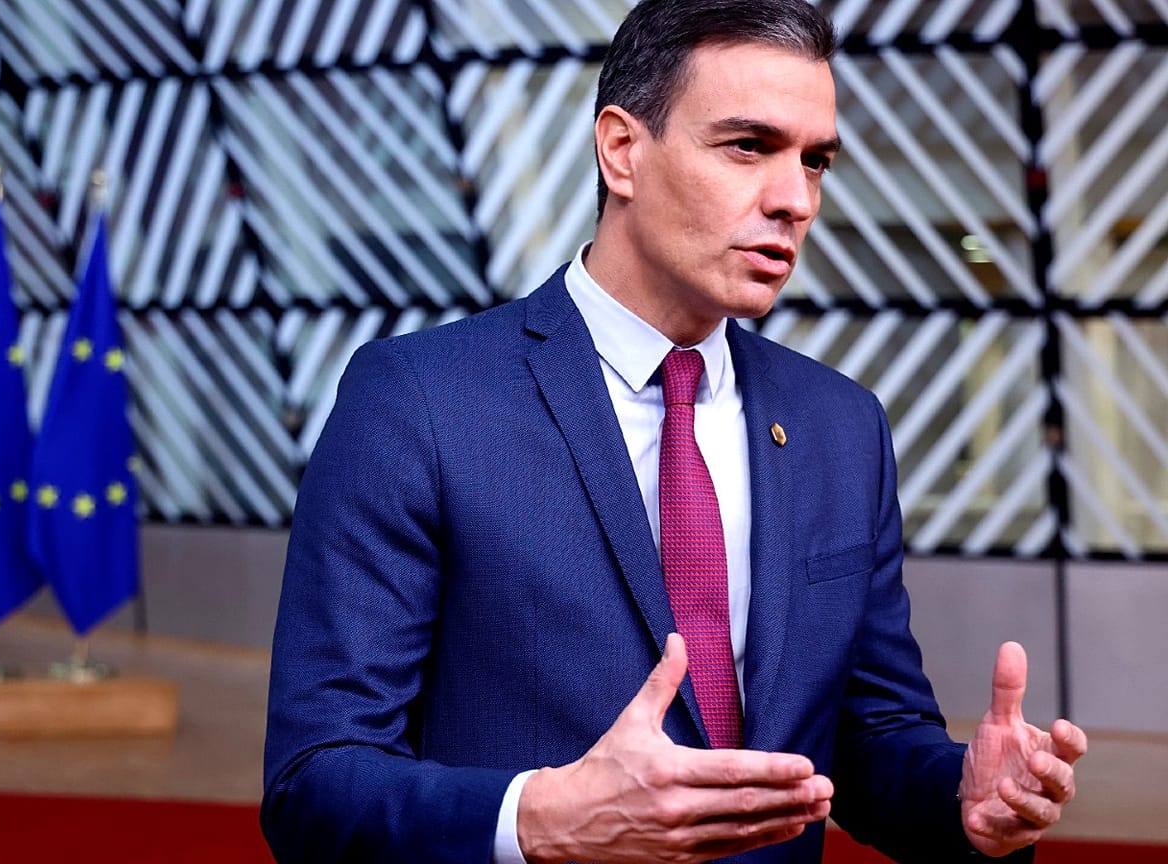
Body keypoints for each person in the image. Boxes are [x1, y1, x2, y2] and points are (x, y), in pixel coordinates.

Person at [261, 1, 1087, 862]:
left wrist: (966, 797)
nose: (795, 199)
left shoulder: (840, 426)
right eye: (749, 146)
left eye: (815, 161)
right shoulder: (419, 401)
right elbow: (314, 781)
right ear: (622, 150)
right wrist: (541, 819)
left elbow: (870, 736)